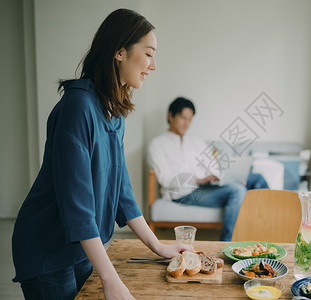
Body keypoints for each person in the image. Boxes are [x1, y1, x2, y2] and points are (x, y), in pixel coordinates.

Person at [12, 9, 193, 300]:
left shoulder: (114, 112)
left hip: (84, 244)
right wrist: (110, 278)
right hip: (48, 246)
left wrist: (158, 246)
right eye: (148, 53)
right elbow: (78, 203)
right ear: (120, 52)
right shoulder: (77, 108)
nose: (153, 65)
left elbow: (121, 190)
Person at [148, 97, 269, 241]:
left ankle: (269, 230)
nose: (187, 123)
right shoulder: (157, 144)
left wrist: (222, 178)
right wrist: (197, 180)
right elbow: (165, 178)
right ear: (170, 115)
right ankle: (226, 243)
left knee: (257, 178)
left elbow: (214, 167)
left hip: (207, 186)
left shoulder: (196, 142)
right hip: (184, 194)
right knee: (237, 190)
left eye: (190, 119)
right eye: (183, 118)